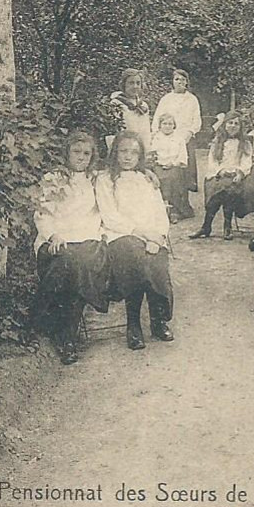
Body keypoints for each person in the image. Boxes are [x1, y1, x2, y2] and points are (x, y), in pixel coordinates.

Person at [32, 130, 111, 366]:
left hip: (88, 241)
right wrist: (53, 234)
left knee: (80, 264)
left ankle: (59, 329)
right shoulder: (53, 178)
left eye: (87, 153)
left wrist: (149, 174)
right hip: (57, 241)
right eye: (76, 152)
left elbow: (126, 176)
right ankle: (65, 333)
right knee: (71, 264)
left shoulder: (98, 179)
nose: (81, 158)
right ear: (66, 153)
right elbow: (42, 213)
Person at [95, 132, 174, 351]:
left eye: (134, 152)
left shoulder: (146, 179)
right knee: (134, 257)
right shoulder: (105, 179)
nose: (128, 157)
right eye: (123, 151)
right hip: (120, 234)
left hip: (151, 235)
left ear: (140, 156)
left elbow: (160, 212)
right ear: (115, 153)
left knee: (156, 260)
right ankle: (134, 324)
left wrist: (158, 237)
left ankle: (159, 320)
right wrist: (142, 234)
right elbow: (110, 215)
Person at [189, 111, 252, 241]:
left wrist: (240, 172)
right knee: (217, 188)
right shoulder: (217, 142)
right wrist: (220, 170)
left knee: (228, 189)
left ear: (240, 127)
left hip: (236, 176)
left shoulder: (244, 143)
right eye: (230, 123)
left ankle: (223, 226)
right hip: (219, 174)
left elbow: (247, 161)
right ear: (224, 125)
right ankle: (208, 226)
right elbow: (212, 161)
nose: (233, 126)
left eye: (236, 124)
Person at [151, 69, 202, 194]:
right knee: (166, 167)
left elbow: (197, 119)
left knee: (183, 169)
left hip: (185, 137)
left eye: (182, 79)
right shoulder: (166, 99)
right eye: (177, 79)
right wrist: (156, 134)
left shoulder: (192, 99)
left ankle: (183, 198)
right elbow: (158, 117)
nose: (179, 82)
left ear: (186, 82)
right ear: (172, 82)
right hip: (166, 135)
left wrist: (190, 133)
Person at [149, 112, 193, 222]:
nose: (167, 126)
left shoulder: (179, 139)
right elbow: (151, 154)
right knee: (157, 178)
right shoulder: (155, 138)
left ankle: (174, 211)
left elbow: (183, 157)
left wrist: (173, 163)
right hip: (158, 165)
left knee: (173, 178)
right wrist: (158, 162)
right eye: (165, 124)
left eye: (170, 124)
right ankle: (160, 210)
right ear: (160, 125)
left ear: (174, 125)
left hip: (174, 165)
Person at [110, 68, 152, 153]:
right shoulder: (116, 103)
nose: (135, 86)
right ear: (124, 84)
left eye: (138, 83)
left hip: (140, 148)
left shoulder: (143, 105)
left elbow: (146, 133)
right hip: (124, 148)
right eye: (131, 83)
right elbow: (116, 131)